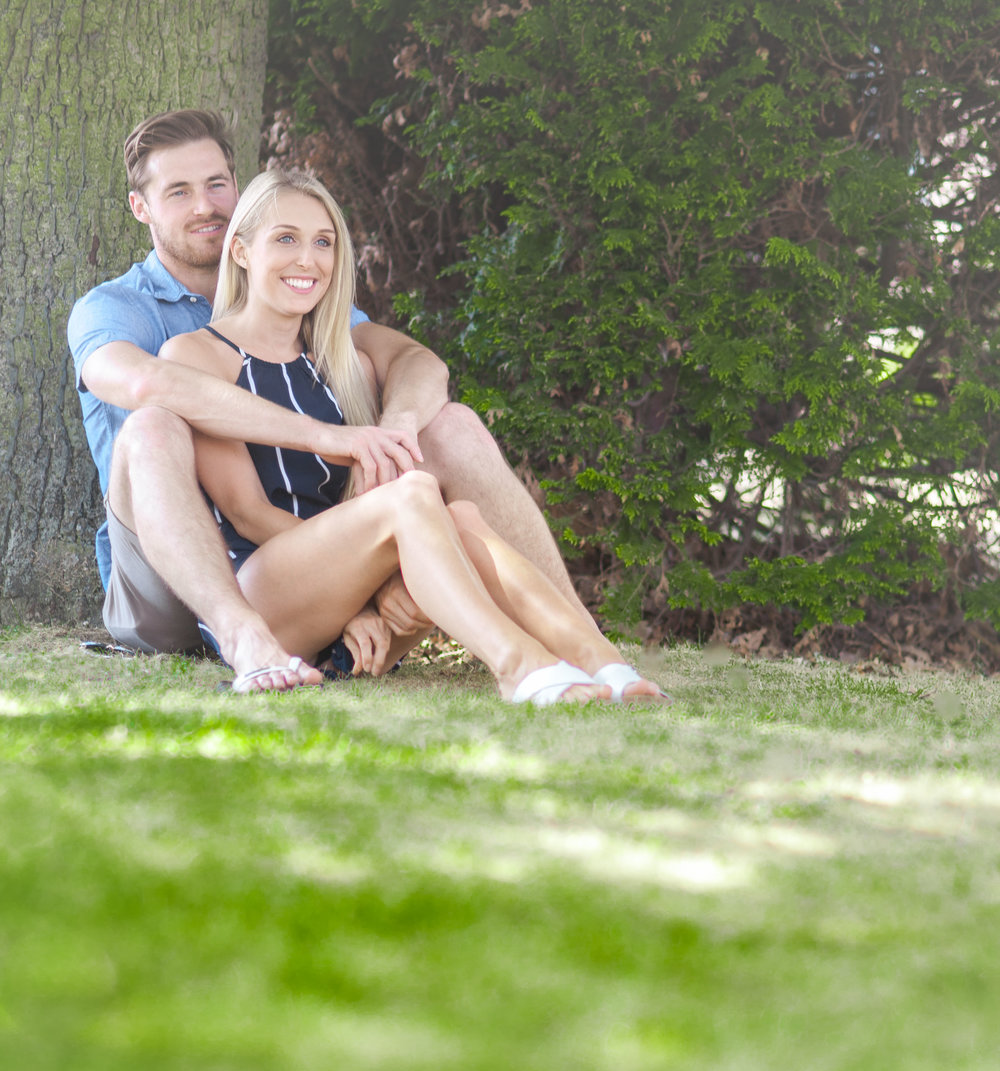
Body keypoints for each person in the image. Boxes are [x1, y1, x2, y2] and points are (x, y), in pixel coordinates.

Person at [67, 109, 590, 692]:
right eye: (178, 191)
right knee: (154, 426)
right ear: (141, 207)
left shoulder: (297, 296)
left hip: (303, 565)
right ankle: (245, 639)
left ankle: (578, 637)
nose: (204, 206)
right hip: (170, 574)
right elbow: (147, 386)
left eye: (216, 184)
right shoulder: (116, 307)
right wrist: (326, 437)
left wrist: (393, 431)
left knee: (451, 425)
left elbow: (415, 363)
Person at [158, 166, 667, 705]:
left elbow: (425, 369)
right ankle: (518, 665)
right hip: (267, 602)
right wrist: (363, 599)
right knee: (414, 495)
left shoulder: (345, 363)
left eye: (324, 243)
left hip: (357, 597)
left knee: (464, 516)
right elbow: (246, 514)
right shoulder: (196, 356)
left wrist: (373, 590)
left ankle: (600, 661)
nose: (308, 259)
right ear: (240, 251)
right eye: (286, 239)